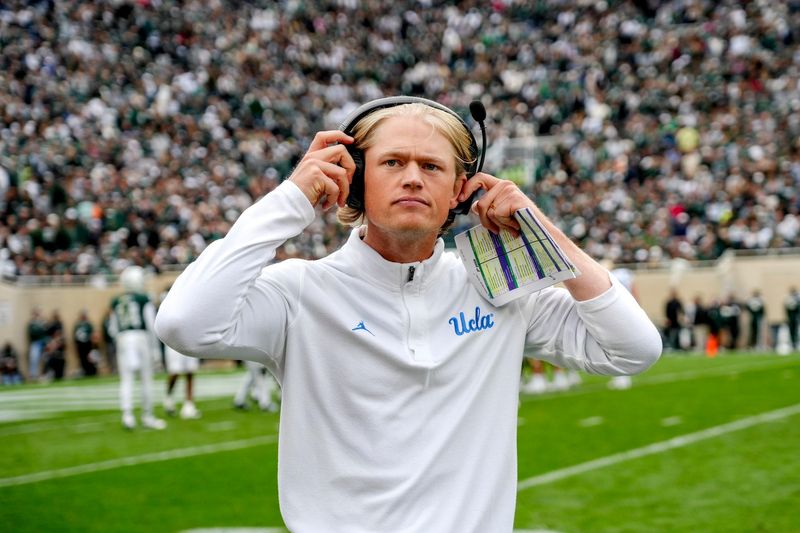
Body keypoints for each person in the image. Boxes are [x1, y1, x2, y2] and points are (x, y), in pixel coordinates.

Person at [155, 97, 662, 532]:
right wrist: (291, 200)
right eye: (393, 163)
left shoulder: (501, 289)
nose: (414, 179)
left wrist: (539, 231)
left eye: (433, 166)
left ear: (460, 191)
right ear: (355, 183)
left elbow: (635, 350)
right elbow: (184, 324)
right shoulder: (299, 292)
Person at [109, 265, 167, 430]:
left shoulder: (116, 301)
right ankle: (147, 416)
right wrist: (156, 350)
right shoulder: (143, 299)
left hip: (122, 338)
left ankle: (127, 416)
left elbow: (112, 328)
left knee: (126, 379)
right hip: (140, 338)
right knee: (146, 379)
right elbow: (151, 324)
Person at [73, 310, 98, 377]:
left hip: (88, 345)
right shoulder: (78, 325)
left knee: (90, 359)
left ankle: (91, 372)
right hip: (81, 345)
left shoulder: (88, 324)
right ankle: (85, 372)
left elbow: (93, 335)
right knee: (82, 359)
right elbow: (75, 336)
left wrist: (93, 344)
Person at [26, 308, 48, 381]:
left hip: (43, 343)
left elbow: (45, 332)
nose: (38, 315)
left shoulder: (42, 322)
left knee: (45, 359)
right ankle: (33, 375)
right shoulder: (32, 323)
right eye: (36, 313)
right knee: (34, 359)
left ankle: (44, 374)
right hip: (35, 343)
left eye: (38, 313)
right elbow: (33, 333)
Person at [786, 287, 799, 352]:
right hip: (791, 318)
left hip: (796, 317)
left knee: (796, 331)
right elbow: (786, 309)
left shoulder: (798, 298)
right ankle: (793, 344)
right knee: (792, 331)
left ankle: (796, 343)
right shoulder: (788, 298)